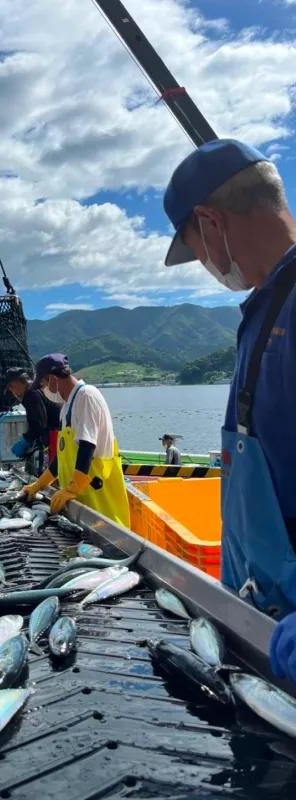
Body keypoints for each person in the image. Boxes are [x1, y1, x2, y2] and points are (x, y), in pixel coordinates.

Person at [162, 137, 296, 684]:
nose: (205, 265)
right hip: (258, 631)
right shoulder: (268, 308)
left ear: (210, 223)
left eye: (195, 249)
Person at [21, 354, 130, 528]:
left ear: (54, 380)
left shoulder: (87, 396)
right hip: (83, 501)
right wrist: (39, 485)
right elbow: (63, 457)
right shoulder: (67, 406)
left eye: (43, 384)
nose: (43, 390)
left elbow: (87, 446)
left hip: (100, 499)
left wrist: (72, 489)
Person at [5, 366, 61, 473]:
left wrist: (25, 440)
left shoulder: (31, 394)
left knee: (50, 473)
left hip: (54, 436)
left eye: (10, 386)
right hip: (58, 433)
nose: (11, 391)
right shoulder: (38, 388)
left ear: (18, 382)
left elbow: (39, 424)